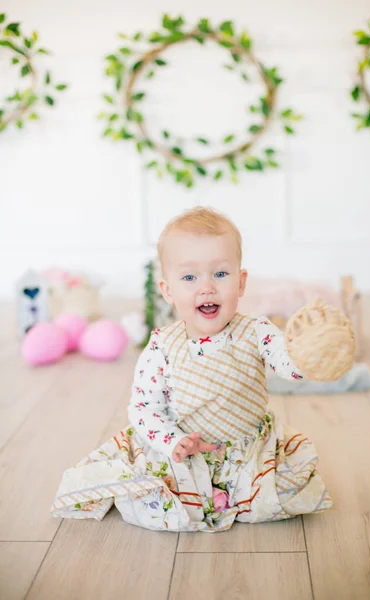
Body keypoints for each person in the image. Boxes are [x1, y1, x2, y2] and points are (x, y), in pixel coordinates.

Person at [51, 206, 332, 532]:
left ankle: (235, 490)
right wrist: (172, 440)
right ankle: (202, 492)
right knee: (153, 505)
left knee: (290, 490)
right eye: (189, 277)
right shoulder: (162, 348)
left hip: (246, 446)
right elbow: (144, 409)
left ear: (241, 283)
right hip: (184, 447)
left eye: (220, 274)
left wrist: (308, 354)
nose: (207, 287)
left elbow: (290, 367)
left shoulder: (258, 331)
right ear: (168, 290)